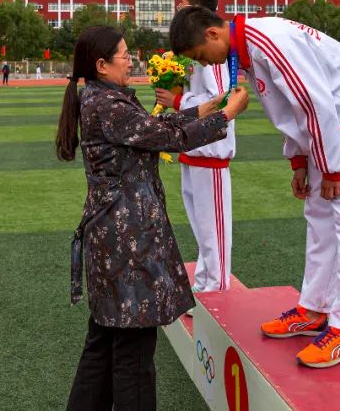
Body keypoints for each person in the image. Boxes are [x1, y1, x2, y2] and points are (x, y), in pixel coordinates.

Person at [170, 6, 340, 369]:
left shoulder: (268, 40)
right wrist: (299, 161)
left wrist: (330, 167)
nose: (205, 65)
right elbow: (291, 110)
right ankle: (314, 307)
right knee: (318, 220)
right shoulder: (249, 47)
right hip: (326, 138)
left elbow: (314, 104)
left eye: (201, 57)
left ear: (212, 35)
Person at [57, 26, 248, 410]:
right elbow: (169, 139)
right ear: (101, 65)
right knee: (134, 353)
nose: (131, 60)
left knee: (103, 342)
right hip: (126, 241)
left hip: (112, 237)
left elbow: (157, 129)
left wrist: (207, 107)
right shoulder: (108, 106)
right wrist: (226, 114)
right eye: (124, 55)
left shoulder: (101, 99)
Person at [155, 0, 236, 294]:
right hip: (195, 149)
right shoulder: (197, 48)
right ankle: (205, 285)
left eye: (182, 3)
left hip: (211, 152)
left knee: (213, 232)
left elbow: (219, 98)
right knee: (203, 231)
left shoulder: (211, 51)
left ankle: (216, 291)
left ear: (196, 10)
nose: (178, 8)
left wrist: (178, 101)